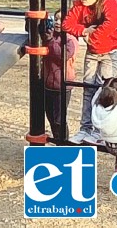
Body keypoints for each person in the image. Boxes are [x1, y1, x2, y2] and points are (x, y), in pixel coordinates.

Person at [61, 0, 117, 145]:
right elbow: (67, 23)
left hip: (111, 51)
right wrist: (83, 31)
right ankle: (85, 128)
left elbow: (112, 23)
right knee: (88, 88)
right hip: (93, 52)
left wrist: (93, 36)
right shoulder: (80, 5)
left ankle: (100, 131)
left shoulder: (109, 2)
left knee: (104, 90)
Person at [42, 10, 78, 140]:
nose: (57, 22)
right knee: (51, 117)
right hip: (48, 85)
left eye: (61, 20)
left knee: (59, 119)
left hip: (62, 86)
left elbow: (62, 55)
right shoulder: (50, 36)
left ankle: (64, 143)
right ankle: (58, 141)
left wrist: (50, 40)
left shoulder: (70, 39)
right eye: (55, 19)